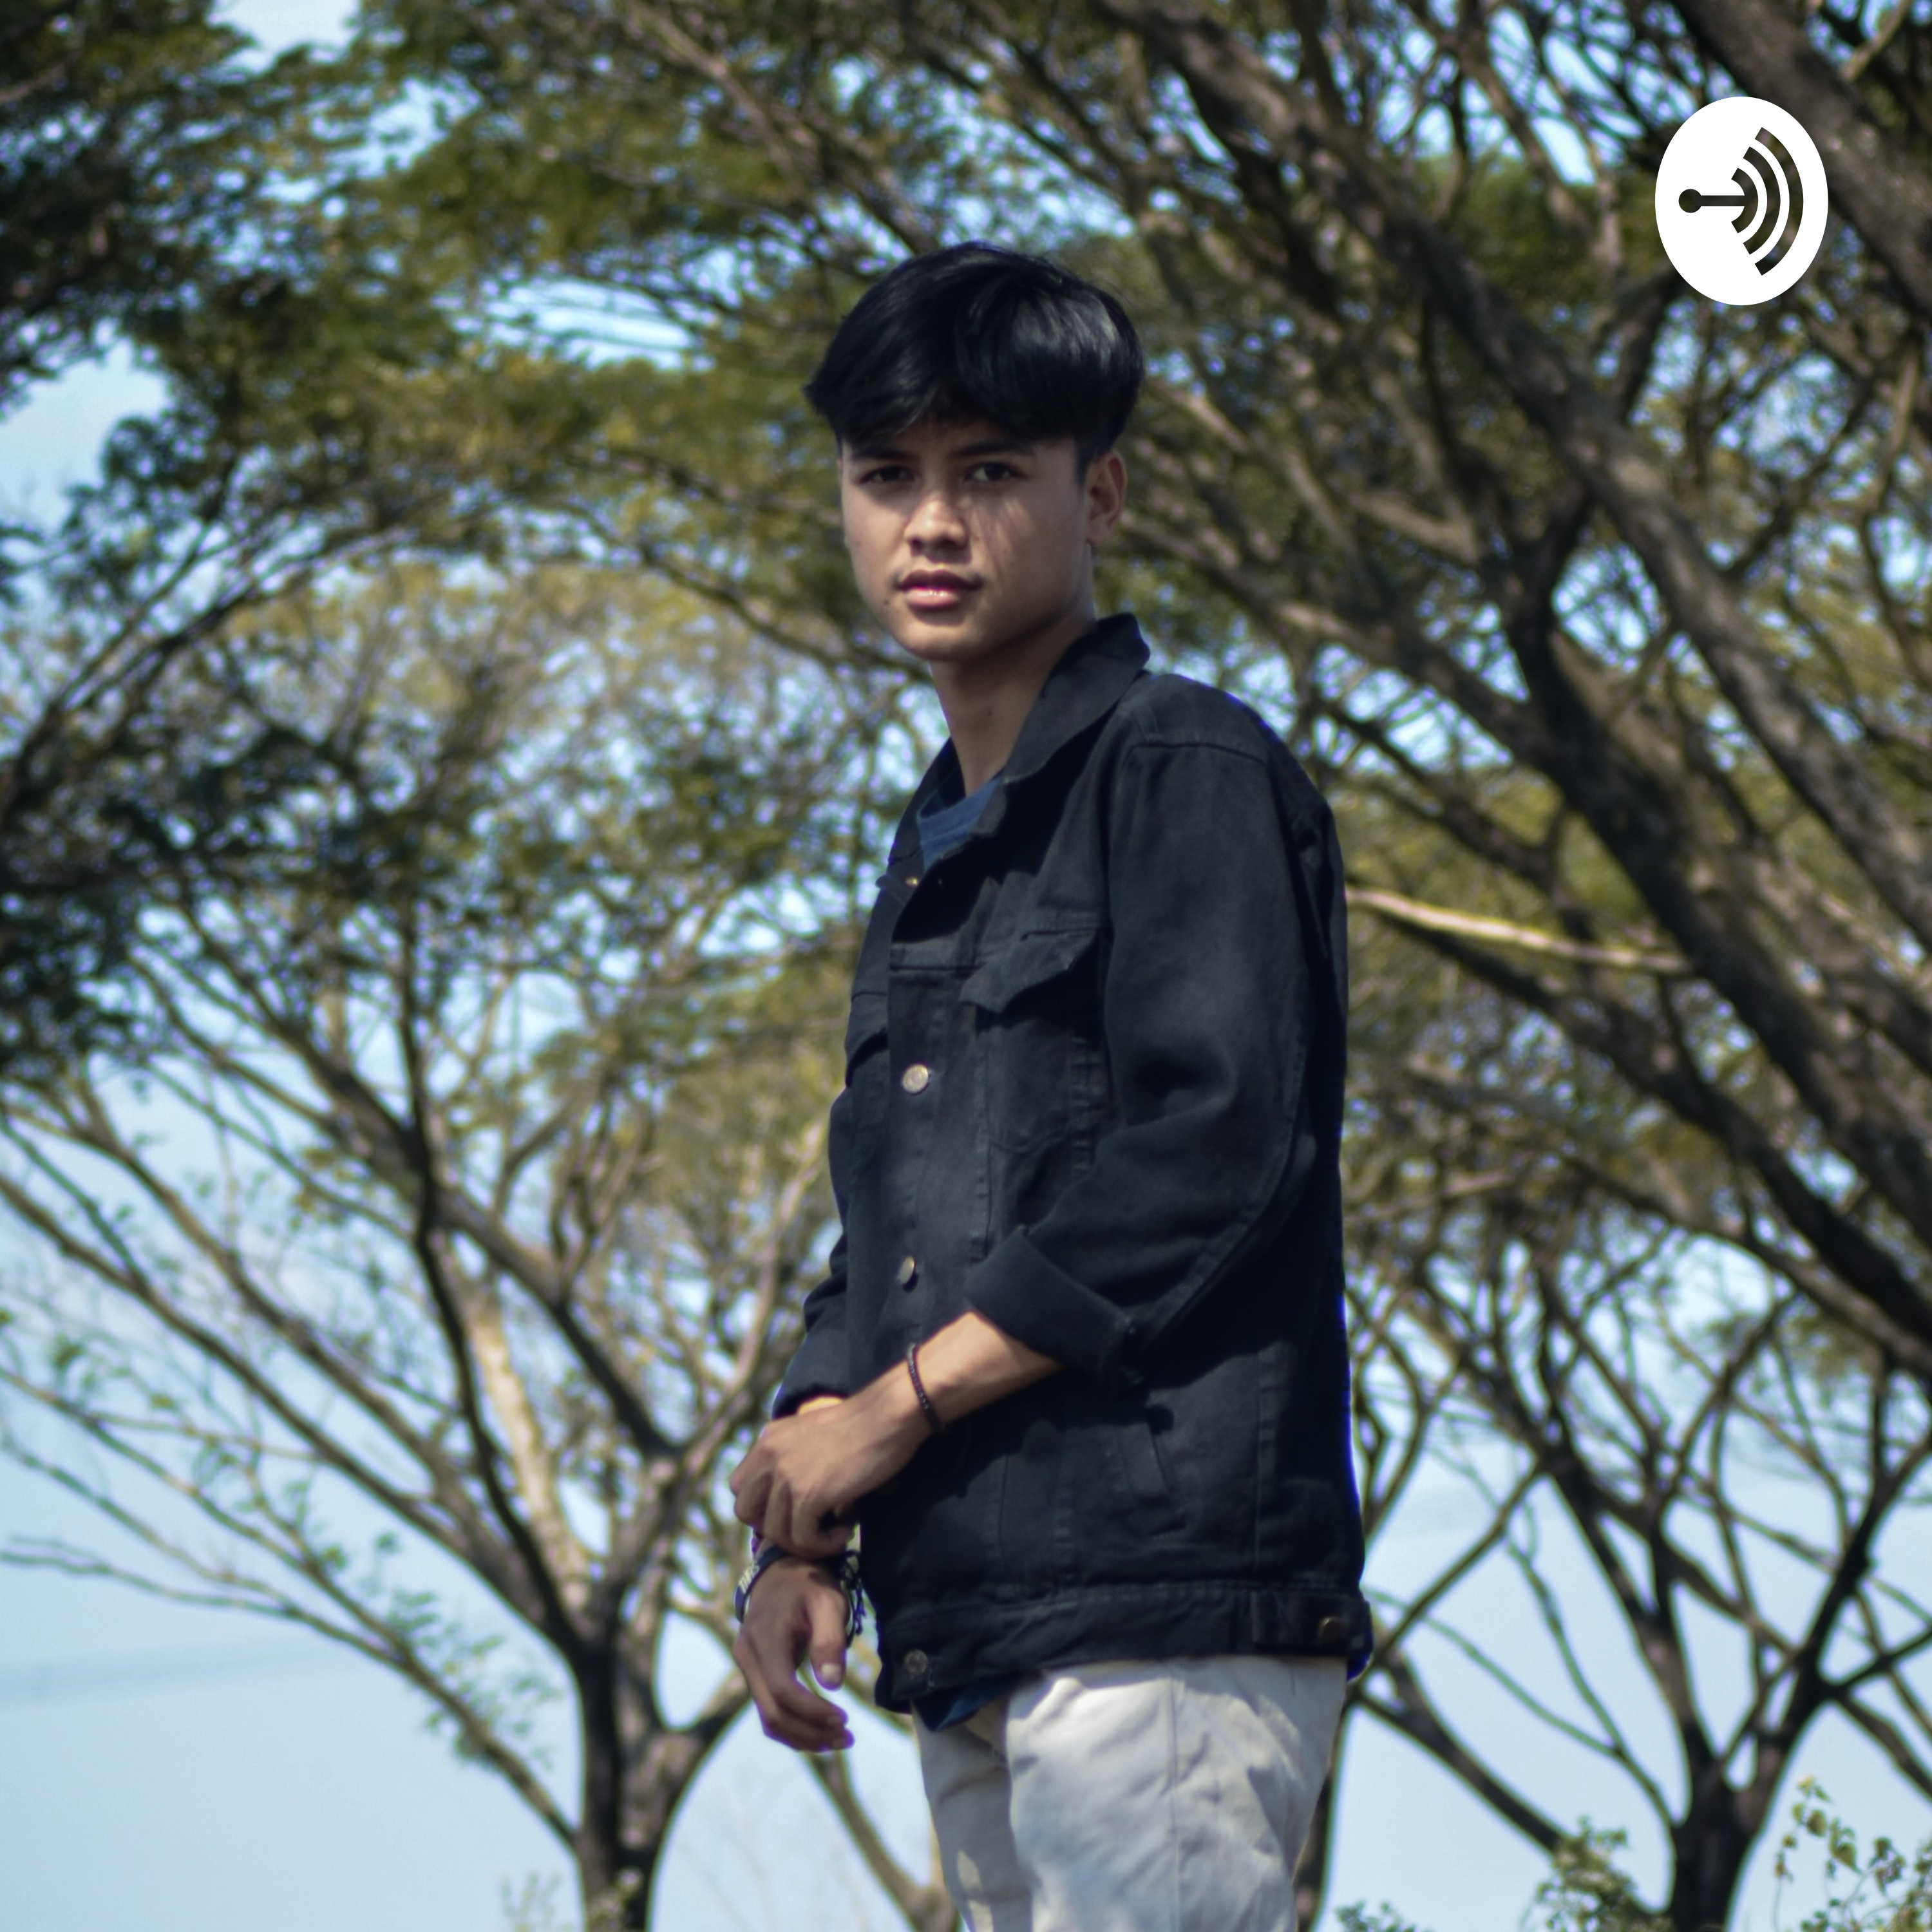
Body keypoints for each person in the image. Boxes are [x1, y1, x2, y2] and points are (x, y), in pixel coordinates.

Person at [728, 242, 1368, 1932]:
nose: (931, 524)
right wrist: (806, 1524)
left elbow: (1216, 1148)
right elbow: (893, 1213)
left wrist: (895, 1411)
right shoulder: (933, 842)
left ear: (1104, 495)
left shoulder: (1186, 765)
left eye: (992, 472)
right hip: (969, 1612)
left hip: (1160, 1602)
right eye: (888, 476)